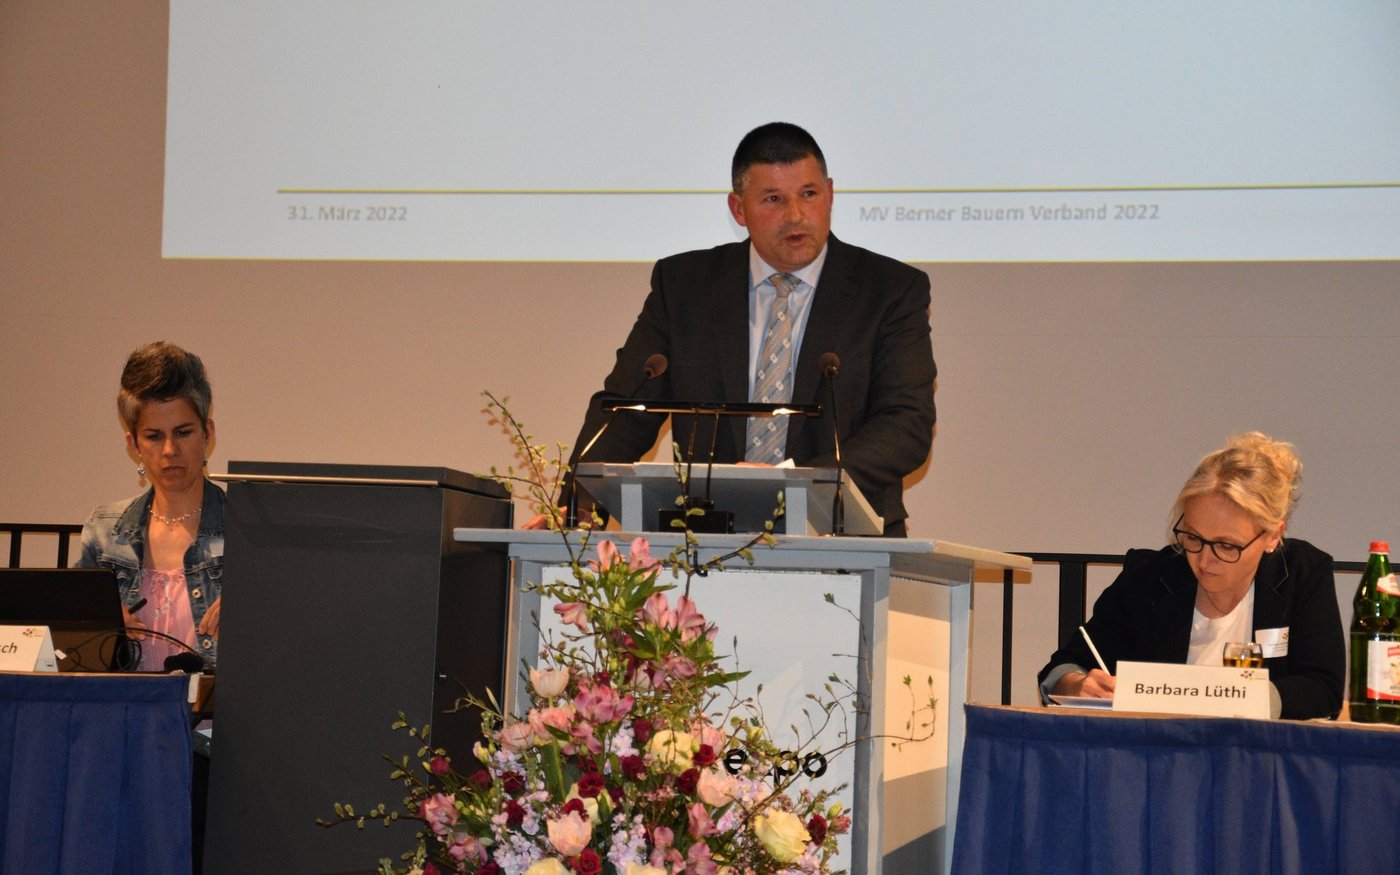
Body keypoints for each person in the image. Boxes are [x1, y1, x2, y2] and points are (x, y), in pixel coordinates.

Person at [556, 122, 936, 536]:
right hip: (703, 538)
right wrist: (578, 508)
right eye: (773, 199)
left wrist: (796, 485)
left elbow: (906, 423)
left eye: (809, 194)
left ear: (829, 194)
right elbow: (625, 411)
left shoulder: (889, 289)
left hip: (843, 535)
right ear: (738, 209)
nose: (795, 215)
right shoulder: (685, 286)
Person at [1037, 432, 1345, 720]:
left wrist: (1242, 699)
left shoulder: (1301, 573)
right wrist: (1075, 685)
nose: (1204, 560)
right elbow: (1061, 668)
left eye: (1226, 546)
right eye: (1193, 537)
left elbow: (1322, 688)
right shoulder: (1149, 576)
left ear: (1273, 536)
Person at [77, 341, 224, 670]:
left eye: (183, 432)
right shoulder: (104, 530)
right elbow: (71, 647)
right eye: (154, 436)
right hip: (125, 702)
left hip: (216, 704)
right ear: (134, 444)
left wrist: (254, 612)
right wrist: (101, 626)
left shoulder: (247, 532)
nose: (170, 450)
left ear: (207, 433)